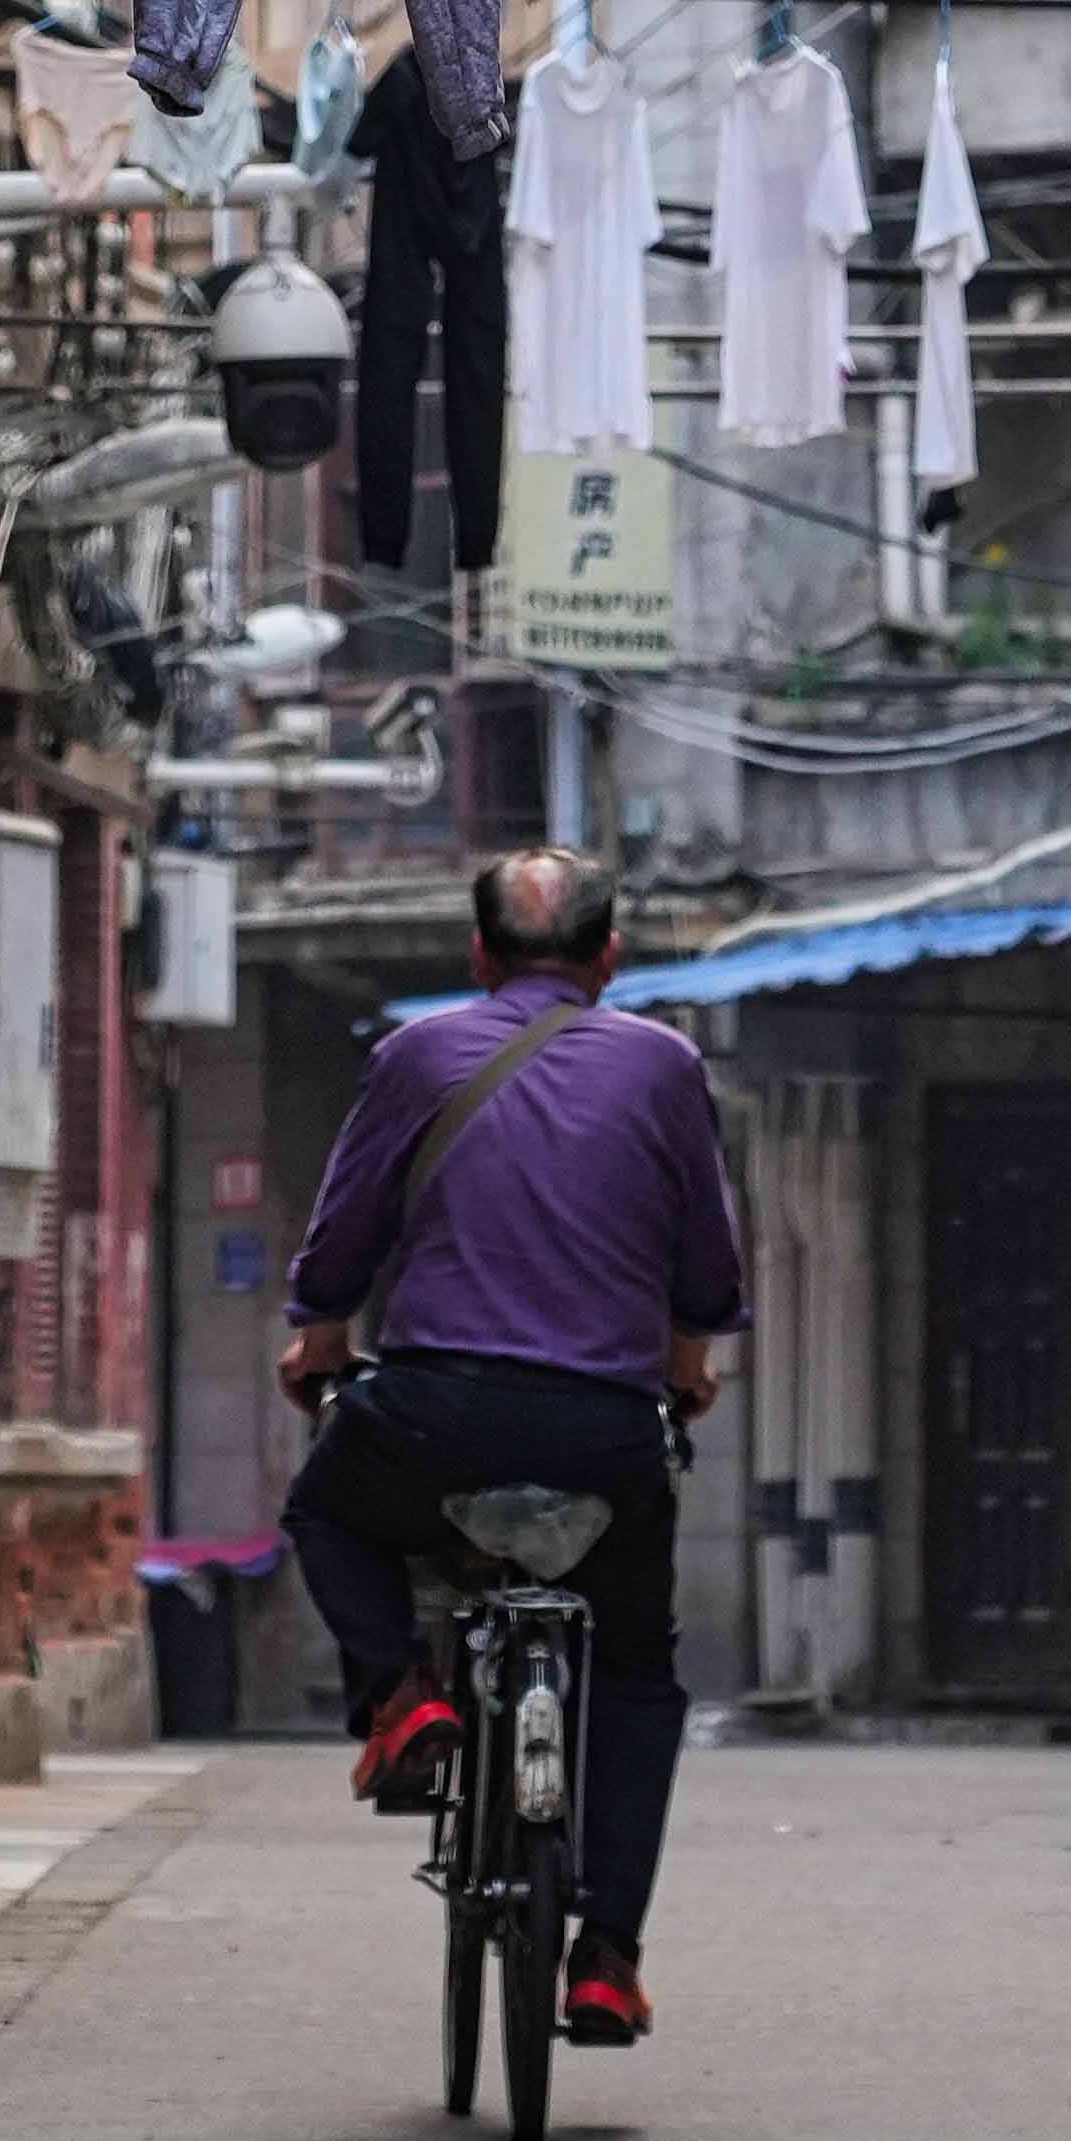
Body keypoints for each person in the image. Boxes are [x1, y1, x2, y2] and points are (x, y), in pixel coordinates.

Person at [278, 843, 742, 2051]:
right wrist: (688, 1359)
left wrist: (318, 1338)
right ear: (609, 958)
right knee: (635, 1670)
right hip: (605, 1428)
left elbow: (343, 1240)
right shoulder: (665, 1066)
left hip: (434, 1413)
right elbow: (708, 1267)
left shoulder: (415, 1053)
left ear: (477, 957)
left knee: (328, 1511)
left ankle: (397, 1698)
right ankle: (607, 1958)